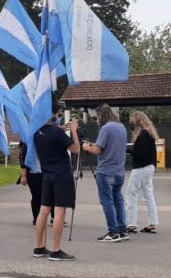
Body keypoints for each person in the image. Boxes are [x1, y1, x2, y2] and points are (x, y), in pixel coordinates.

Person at [32, 104, 79, 261]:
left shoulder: (37, 134)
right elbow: (75, 149)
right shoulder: (58, 133)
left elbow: (52, 135)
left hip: (47, 175)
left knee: (44, 210)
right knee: (60, 211)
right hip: (62, 176)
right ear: (52, 115)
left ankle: (39, 247)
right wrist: (73, 130)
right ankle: (56, 250)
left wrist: (62, 129)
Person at [82, 104, 129, 243]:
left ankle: (113, 232)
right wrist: (94, 145)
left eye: (97, 117)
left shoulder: (106, 128)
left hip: (106, 170)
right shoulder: (121, 127)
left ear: (101, 115)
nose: (97, 120)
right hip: (119, 170)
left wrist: (86, 147)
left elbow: (98, 150)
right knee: (118, 200)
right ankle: (122, 230)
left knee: (107, 201)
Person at [125, 111, 160, 234]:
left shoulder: (143, 134)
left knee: (131, 195)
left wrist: (128, 150)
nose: (131, 123)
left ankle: (131, 224)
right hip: (149, 167)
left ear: (137, 121)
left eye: (132, 120)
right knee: (148, 195)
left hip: (140, 168)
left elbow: (141, 153)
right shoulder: (149, 133)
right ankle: (152, 223)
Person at [18, 140, 44, 227]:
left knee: (48, 196)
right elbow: (22, 160)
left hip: (46, 173)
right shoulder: (28, 143)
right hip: (33, 174)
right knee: (36, 196)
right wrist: (23, 176)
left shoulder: (46, 139)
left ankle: (51, 217)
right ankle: (36, 218)